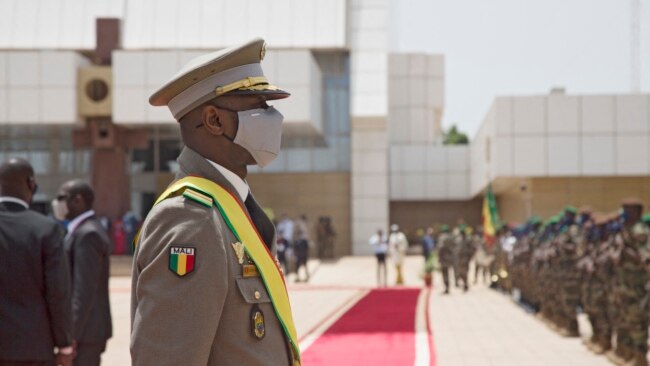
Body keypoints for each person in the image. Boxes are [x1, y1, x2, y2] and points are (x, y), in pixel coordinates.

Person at [131, 38, 301, 365]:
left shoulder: (230, 205)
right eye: (259, 105)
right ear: (214, 121)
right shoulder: (190, 218)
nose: (273, 116)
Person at [0, 158, 75, 366]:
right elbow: (57, 292)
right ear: (31, 184)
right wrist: (64, 343)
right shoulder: (46, 229)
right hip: (33, 347)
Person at [56, 180, 113, 366]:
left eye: (61, 198)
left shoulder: (88, 234)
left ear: (77, 201)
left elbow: (83, 290)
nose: (57, 203)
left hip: (86, 334)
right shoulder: (82, 230)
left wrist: (70, 336)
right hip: (86, 331)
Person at [438, 225, 455, 294]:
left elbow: (440, 248)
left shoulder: (442, 237)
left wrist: (439, 257)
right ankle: (448, 287)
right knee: (448, 273)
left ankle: (447, 287)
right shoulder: (451, 237)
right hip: (450, 257)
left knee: (445, 273)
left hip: (444, 258)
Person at [293, 214, 310, 282]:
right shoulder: (301, 226)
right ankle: (299, 276)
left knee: (303, 261)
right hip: (299, 246)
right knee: (299, 262)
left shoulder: (304, 231)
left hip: (302, 246)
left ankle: (305, 275)